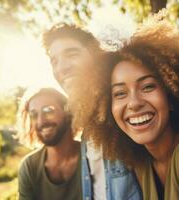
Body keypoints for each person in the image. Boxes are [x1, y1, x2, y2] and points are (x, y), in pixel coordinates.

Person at [75, 16, 179, 200]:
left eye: (147, 87)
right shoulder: (143, 164)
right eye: (120, 93)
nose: (134, 103)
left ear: (171, 93)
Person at [42, 23, 142, 200]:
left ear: (96, 56)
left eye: (71, 54)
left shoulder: (126, 115)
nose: (61, 68)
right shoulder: (87, 129)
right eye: (54, 61)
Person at [17, 88, 81, 200]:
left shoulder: (92, 157)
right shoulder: (29, 167)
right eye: (34, 115)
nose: (41, 121)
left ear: (67, 112)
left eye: (48, 111)